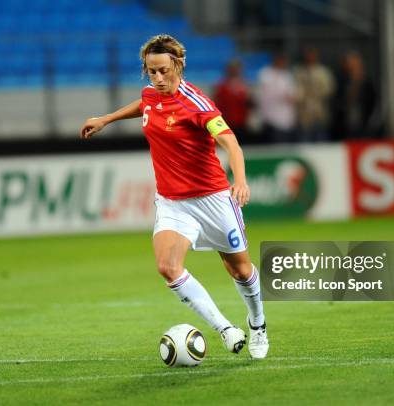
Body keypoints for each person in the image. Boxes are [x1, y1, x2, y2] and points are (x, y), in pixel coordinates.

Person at [79, 34, 268, 359]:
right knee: (168, 267)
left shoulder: (197, 104)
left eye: (164, 70)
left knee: (240, 270)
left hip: (212, 199)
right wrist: (106, 119)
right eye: (151, 71)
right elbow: (146, 104)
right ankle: (225, 328)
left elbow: (230, 142)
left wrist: (240, 179)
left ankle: (258, 324)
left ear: (178, 65)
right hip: (172, 202)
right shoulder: (151, 94)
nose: (158, 78)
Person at [330, 51, 377, 141]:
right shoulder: (342, 79)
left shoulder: (366, 80)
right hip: (345, 120)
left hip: (362, 119)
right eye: (349, 63)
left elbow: (372, 99)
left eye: (353, 63)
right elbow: (338, 98)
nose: (351, 66)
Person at [295, 47, 335, 142]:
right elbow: (296, 92)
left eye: (312, 55)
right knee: (305, 142)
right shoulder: (299, 72)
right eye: (308, 55)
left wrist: (315, 91)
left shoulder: (323, 72)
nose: (310, 57)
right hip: (305, 116)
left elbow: (329, 90)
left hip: (319, 114)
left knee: (321, 141)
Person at [255, 53, 297, 143]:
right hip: (269, 118)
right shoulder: (265, 74)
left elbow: (291, 96)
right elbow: (262, 95)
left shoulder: (287, 76)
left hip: (284, 119)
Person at [214, 59, 251, 140]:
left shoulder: (244, 85)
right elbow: (217, 104)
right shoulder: (222, 86)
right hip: (226, 123)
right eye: (233, 69)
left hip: (241, 123)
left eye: (237, 69)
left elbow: (248, 103)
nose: (235, 71)